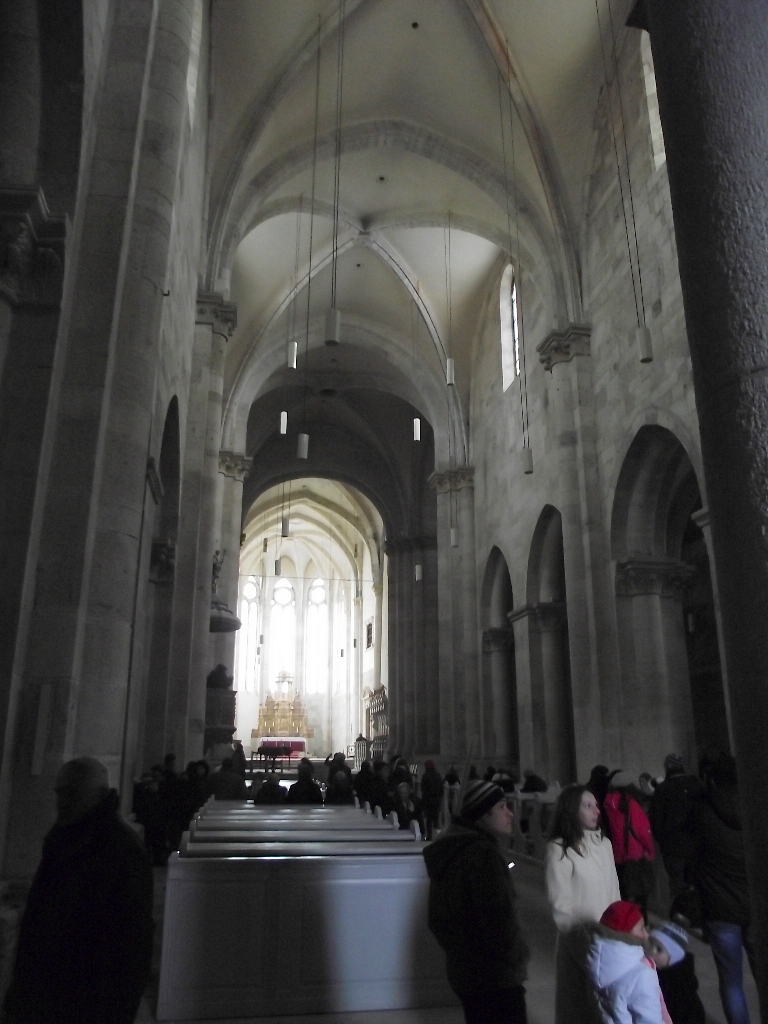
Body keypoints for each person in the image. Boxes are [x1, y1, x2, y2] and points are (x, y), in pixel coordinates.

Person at [4, 757, 154, 1024]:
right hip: (49, 988)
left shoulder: (123, 849)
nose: (61, 802)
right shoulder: (65, 834)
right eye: (59, 793)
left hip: (89, 995)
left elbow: (133, 942)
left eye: (71, 793)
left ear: (99, 795)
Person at [423, 779, 529, 1023]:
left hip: (468, 974)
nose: (510, 813)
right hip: (495, 978)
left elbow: (438, 921)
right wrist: (516, 960)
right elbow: (499, 922)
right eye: (502, 807)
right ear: (483, 814)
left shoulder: (455, 849)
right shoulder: (482, 856)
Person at [688, 752, 755, 1024]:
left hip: (721, 908)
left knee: (731, 983)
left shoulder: (701, 810)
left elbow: (691, 858)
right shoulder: (756, 804)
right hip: (757, 906)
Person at [546, 784, 620, 1024]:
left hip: (610, 943)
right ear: (571, 810)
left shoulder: (605, 845)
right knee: (579, 1009)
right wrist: (586, 941)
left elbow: (614, 895)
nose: (596, 811)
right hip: (579, 944)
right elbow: (561, 907)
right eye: (587, 806)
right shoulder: (559, 849)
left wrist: (622, 933)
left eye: (596, 805)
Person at [588, 901, 667, 1024]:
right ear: (624, 933)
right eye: (641, 929)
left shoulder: (596, 960)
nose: (646, 935)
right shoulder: (642, 975)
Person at [602, 771, 656, 918]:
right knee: (640, 895)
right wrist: (650, 851)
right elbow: (643, 831)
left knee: (623, 893)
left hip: (618, 854)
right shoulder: (631, 803)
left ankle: (624, 923)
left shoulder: (608, 803)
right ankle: (640, 925)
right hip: (635, 854)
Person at [649, 753, 701, 905]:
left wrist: (663, 842)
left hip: (673, 847)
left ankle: (681, 917)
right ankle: (698, 918)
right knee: (697, 883)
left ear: (668, 768)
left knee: (677, 886)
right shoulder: (695, 784)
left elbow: (656, 819)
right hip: (697, 844)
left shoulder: (663, 789)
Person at [650, 921, 706, 1024]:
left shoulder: (682, 993)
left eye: (659, 949)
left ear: (674, 956)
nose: (652, 951)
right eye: (650, 944)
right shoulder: (650, 973)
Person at [420, 759, 444, 839]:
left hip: (428, 801)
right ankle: (437, 836)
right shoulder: (438, 776)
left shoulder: (425, 776)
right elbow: (441, 790)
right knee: (436, 820)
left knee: (429, 821)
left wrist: (423, 804)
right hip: (436, 800)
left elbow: (423, 790)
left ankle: (429, 837)